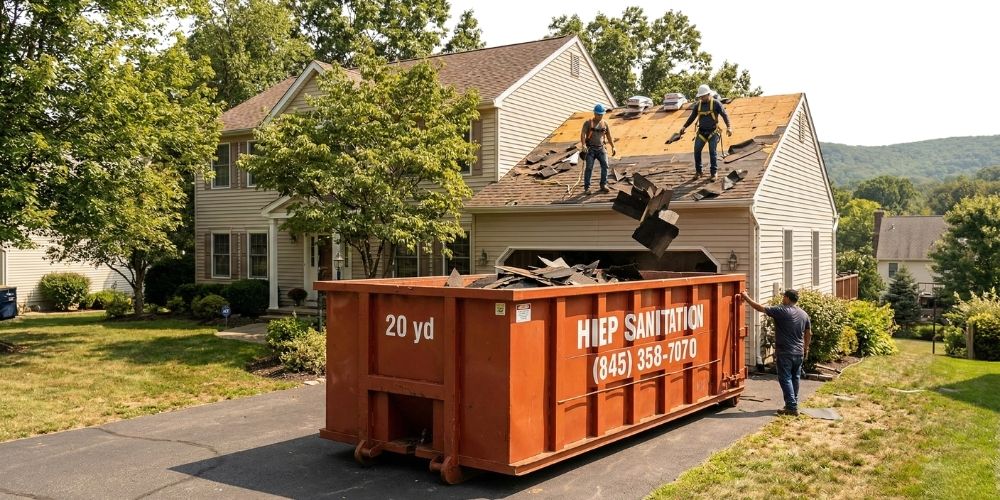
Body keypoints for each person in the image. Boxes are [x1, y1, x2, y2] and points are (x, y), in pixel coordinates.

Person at [741, 289, 812, 416]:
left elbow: (760, 308)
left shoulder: (782, 310)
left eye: (784, 296)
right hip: (799, 352)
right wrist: (806, 348)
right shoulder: (803, 314)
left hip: (785, 351)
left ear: (788, 298)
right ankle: (793, 403)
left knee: (785, 378)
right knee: (795, 378)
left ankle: (791, 406)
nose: (782, 299)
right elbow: (808, 333)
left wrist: (746, 297)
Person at [677, 84, 732, 180]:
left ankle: (713, 173)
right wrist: (684, 127)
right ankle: (699, 172)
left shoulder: (716, 103)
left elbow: (724, 115)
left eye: (703, 96)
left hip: (713, 132)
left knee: (712, 152)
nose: (701, 98)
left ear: (708, 94)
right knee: (697, 151)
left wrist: (729, 127)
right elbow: (692, 117)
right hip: (701, 132)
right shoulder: (698, 105)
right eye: (700, 96)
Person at [579, 103, 617, 193]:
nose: (600, 116)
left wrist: (613, 147)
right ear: (594, 113)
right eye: (598, 114)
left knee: (605, 165)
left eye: (601, 114)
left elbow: (609, 136)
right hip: (590, 149)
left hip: (601, 148)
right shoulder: (588, 123)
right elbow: (583, 134)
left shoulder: (605, 124)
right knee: (589, 167)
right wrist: (583, 145)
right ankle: (587, 188)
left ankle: (603, 184)